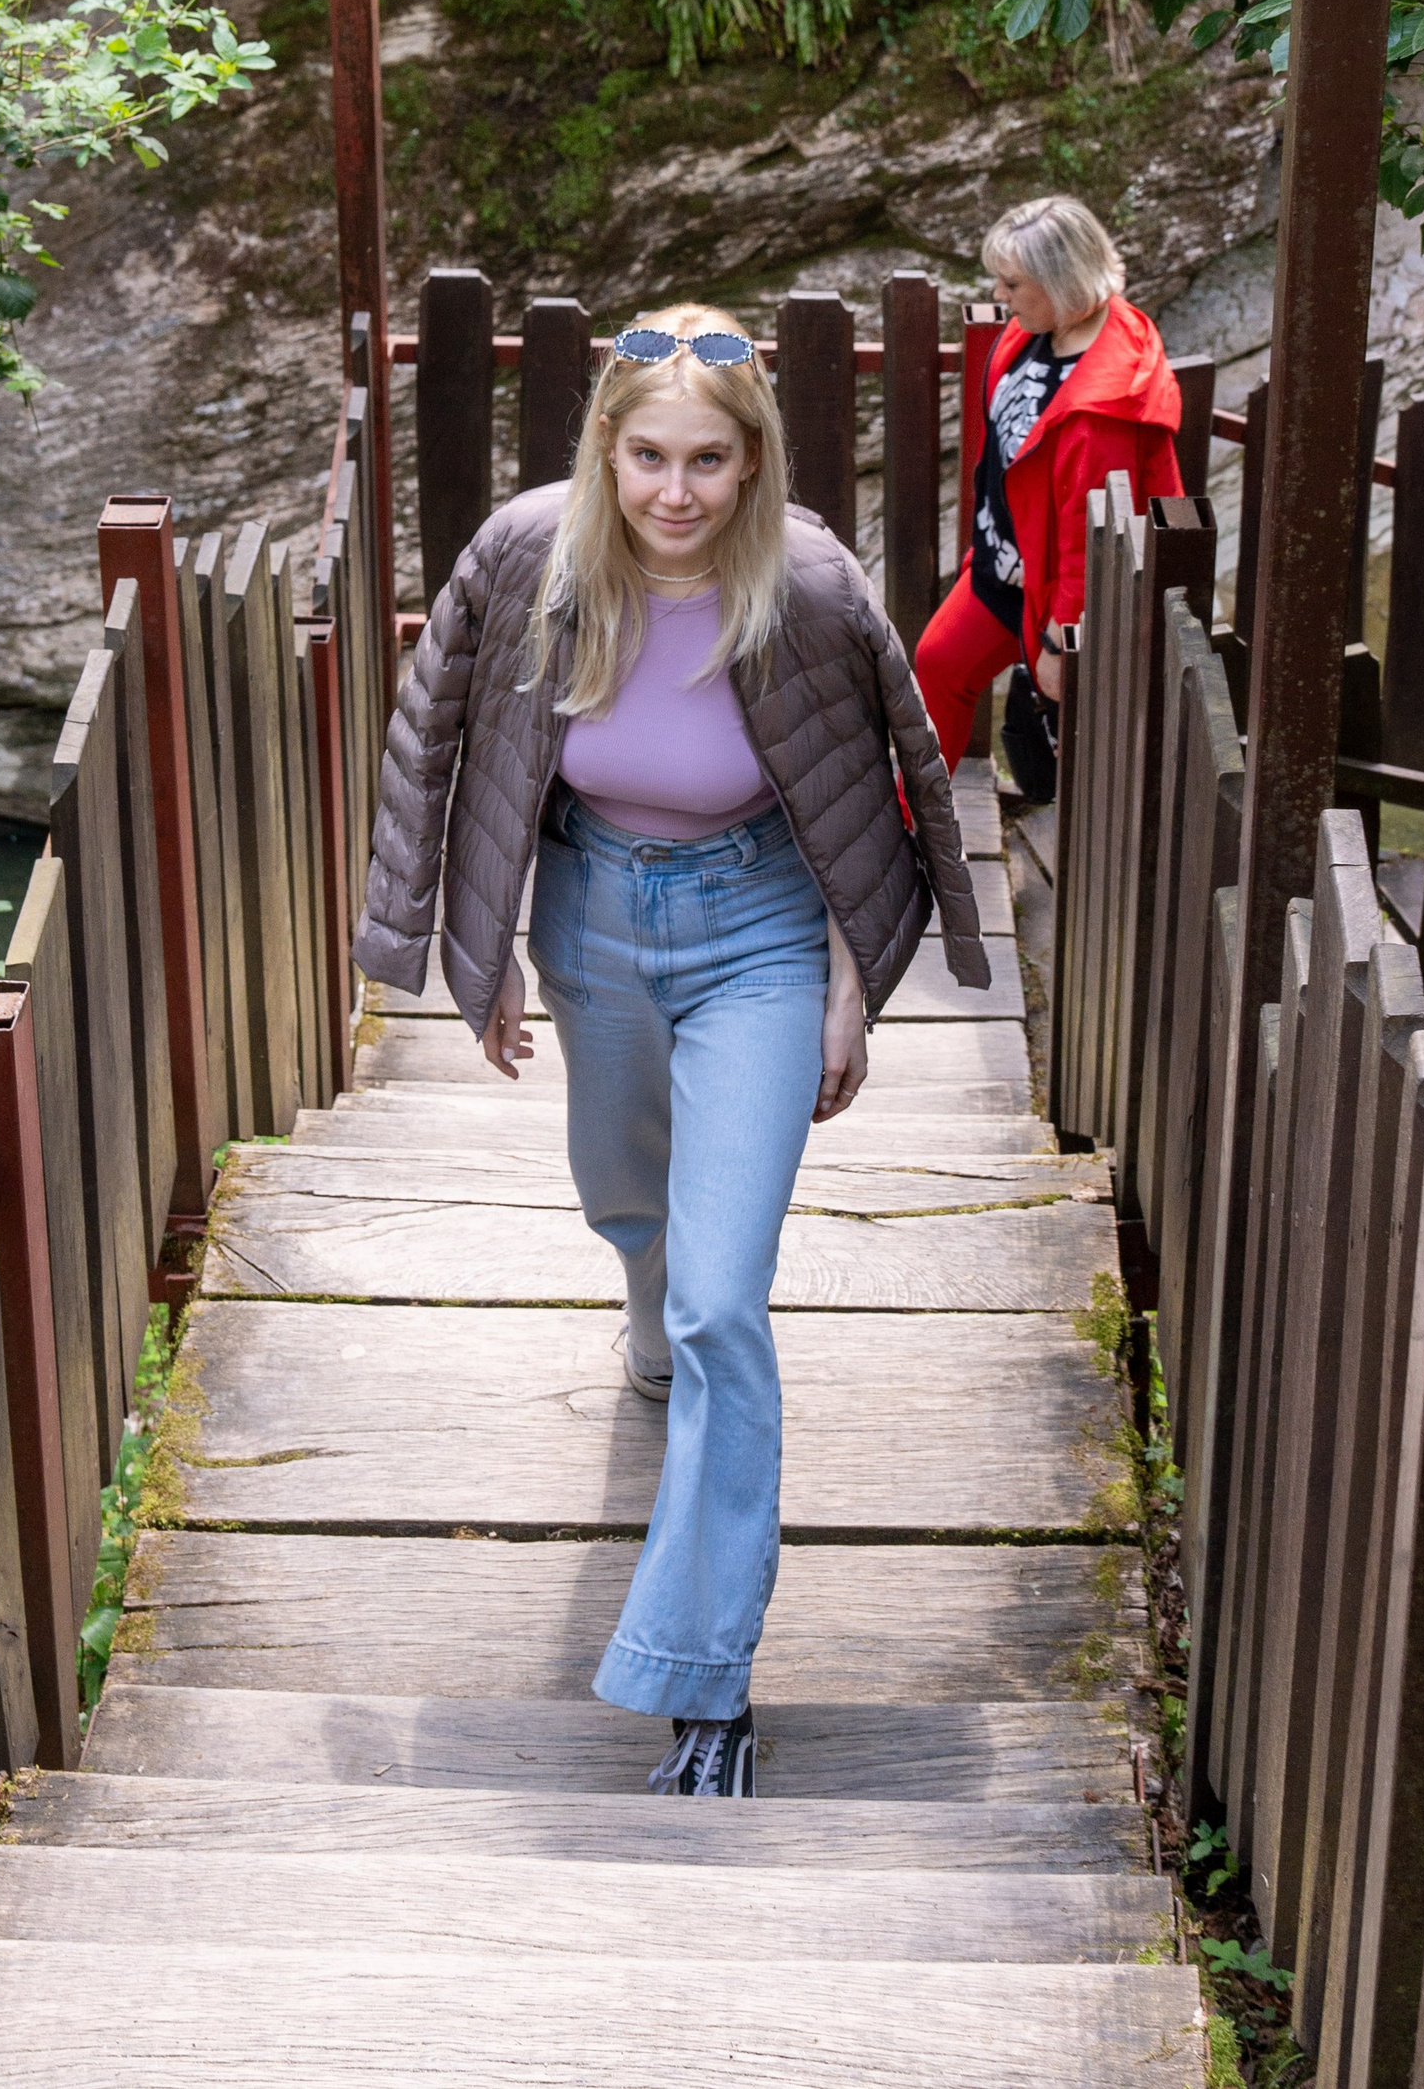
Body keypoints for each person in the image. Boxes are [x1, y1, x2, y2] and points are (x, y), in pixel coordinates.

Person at [351, 303, 983, 1799]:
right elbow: (433, 737)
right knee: (623, 1202)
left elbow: (883, 776)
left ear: (754, 462)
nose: (678, 492)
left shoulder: (813, 586)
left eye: (710, 460)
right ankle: (643, 1295)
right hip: (590, 916)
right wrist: (463, 935)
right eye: (650, 457)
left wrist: (850, 983)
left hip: (760, 923)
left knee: (722, 1304)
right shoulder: (526, 559)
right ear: (606, 450)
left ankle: (706, 1679)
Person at [913, 192, 1184, 780]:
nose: (998, 297)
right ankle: (916, 818)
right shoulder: (1039, 330)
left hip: (1045, 593)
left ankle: (917, 819)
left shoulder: (1097, 418)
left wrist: (1061, 645)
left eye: (1011, 284)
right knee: (938, 665)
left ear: (1062, 283)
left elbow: (1085, 548)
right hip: (1005, 559)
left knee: (1070, 741)